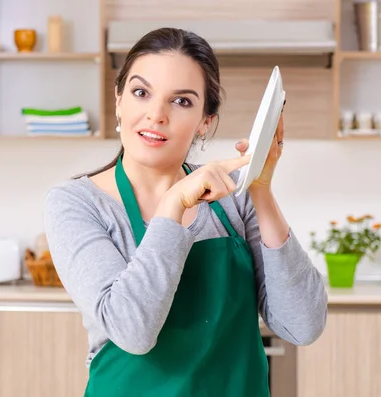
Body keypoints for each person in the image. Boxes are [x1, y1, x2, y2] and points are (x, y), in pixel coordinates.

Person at [43, 27, 327, 397]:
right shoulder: (77, 203)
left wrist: (260, 189)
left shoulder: (234, 199)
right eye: (141, 92)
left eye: (181, 102)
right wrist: (173, 205)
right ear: (118, 101)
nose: (155, 115)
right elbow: (133, 332)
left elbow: (302, 326)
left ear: (205, 122)